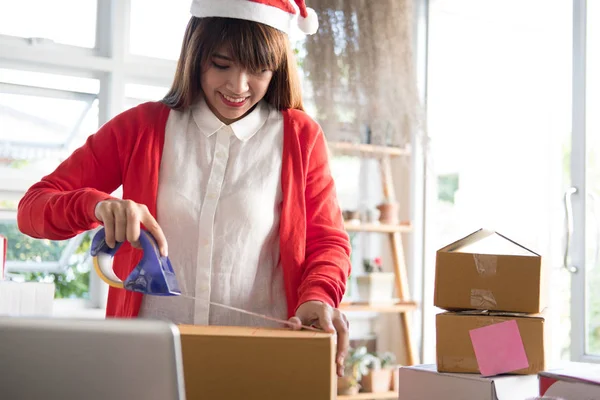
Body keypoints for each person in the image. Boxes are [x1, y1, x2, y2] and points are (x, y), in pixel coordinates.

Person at [17, 0, 351, 377]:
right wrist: (96, 206)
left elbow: (328, 242)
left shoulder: (299, 137)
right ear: (196, 54)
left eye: (259, 70)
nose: (238, 86)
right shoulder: (140, 128)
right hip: (146, 362)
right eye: (222, 64)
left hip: (262, 360)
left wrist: (317, 296)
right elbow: (32, 210)